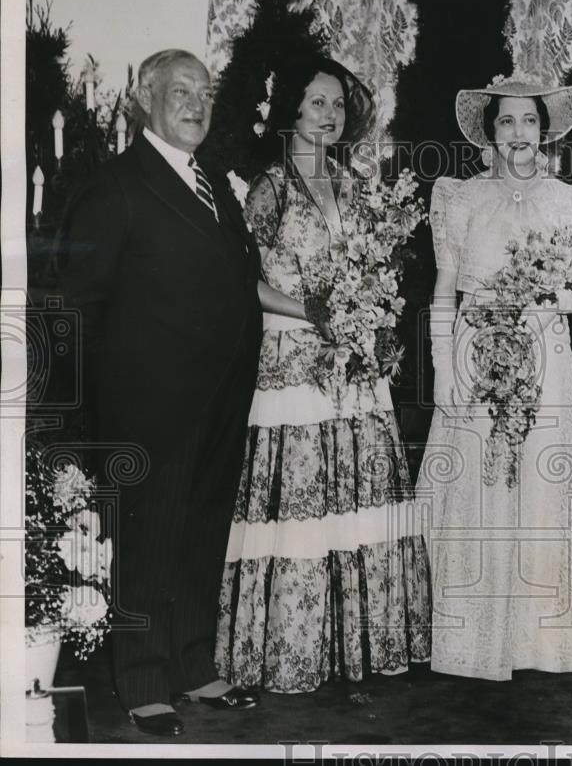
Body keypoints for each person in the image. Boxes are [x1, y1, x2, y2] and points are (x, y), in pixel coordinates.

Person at [213, 53, 431, 693]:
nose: (329, 115)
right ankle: (294, 649)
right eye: (316, 103)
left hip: (355, 365)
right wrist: (310, 310)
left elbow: (377, 272)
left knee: (358, 501)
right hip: (293, 361)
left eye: (338, 104)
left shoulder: (358, 187)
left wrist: (377, 324)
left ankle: (355, 648)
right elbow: (242, 279)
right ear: (291, 111)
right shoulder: (270, 189)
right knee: (303, 506)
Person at [60, 49, 263, 736]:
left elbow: (235, 279)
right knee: (146, 547)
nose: (195, 103)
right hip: (147, 408)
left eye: (204, 92)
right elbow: (76, 308)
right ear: (144, 98)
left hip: (220, 399)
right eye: (180, 90)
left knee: (201, 535)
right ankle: (144, 682)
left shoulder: (213, 181)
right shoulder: (115, 186)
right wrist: (84, 425)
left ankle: (192, 664)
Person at [418, 75, 572, 680]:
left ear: (544, 131)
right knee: (482, 486)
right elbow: (444, 289)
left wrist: (561, 296)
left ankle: (543, 636)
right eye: (506, 122)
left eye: (528, 122)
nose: (518, 134)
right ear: (490, 133)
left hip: (544, 354)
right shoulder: (459, 197)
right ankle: (477, 635)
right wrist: (444, 368)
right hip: (475, 352)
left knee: (542, 484)